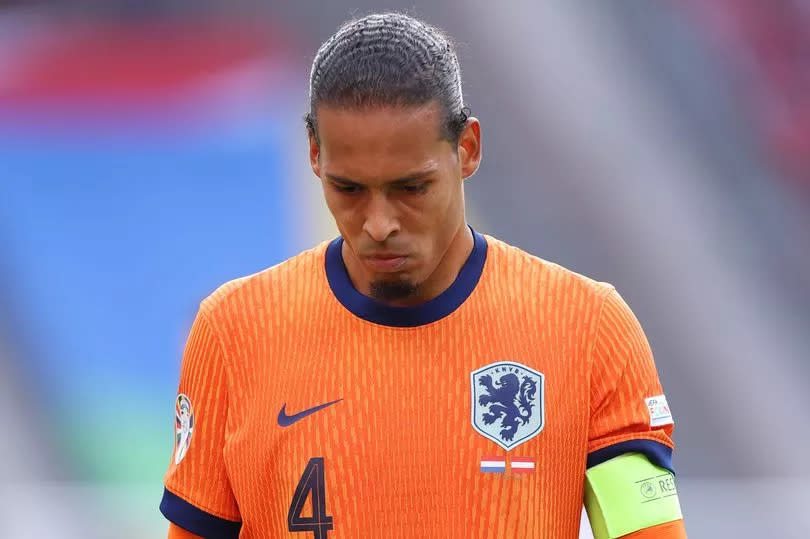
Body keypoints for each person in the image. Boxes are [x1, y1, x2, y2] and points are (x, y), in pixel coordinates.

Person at [159, 12, 686, 539]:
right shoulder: (233, 332)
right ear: (315, 155)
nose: (379, 224)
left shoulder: (588, 328)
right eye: (349, 190)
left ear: (468, 149)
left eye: (411, 188)